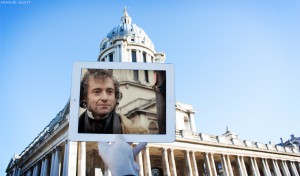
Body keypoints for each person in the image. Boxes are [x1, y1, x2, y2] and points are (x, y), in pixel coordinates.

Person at [78, 69, 148, 134]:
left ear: (115, 96)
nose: (105, 98)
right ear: (84, 97)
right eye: (97, 92)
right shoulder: (74, 129)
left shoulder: (139, 133)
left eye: (110, 92)